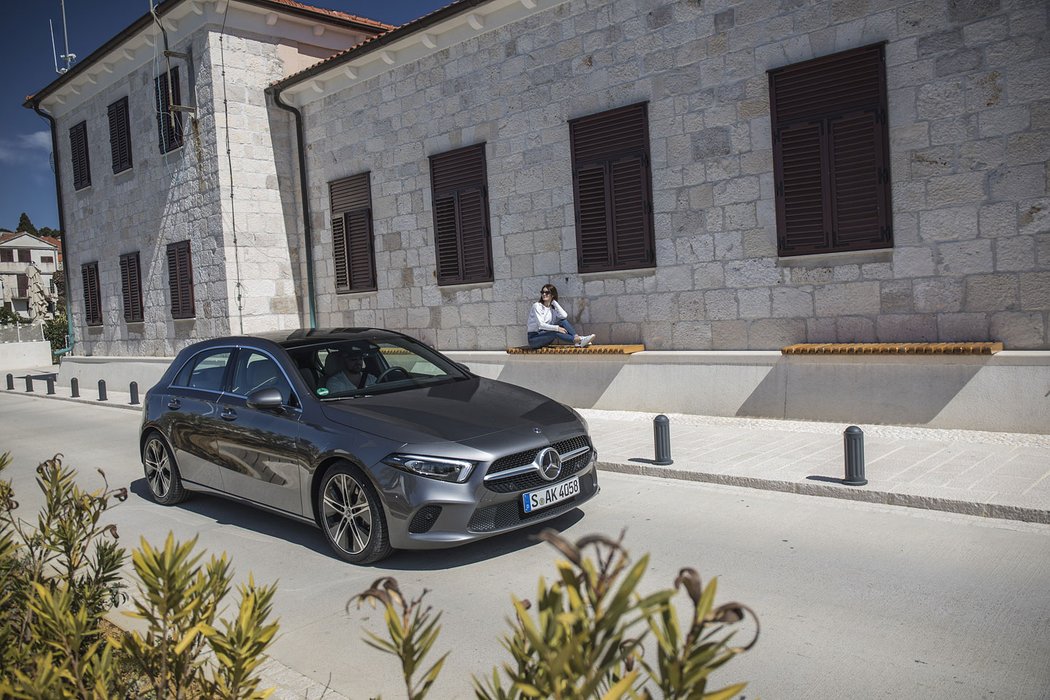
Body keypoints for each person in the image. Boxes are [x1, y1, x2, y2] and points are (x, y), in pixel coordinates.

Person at [526, 284, 596, 349]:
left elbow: (564, 316)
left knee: (562, 321)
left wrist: (554, 302)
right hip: (534, 339)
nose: (544, 294)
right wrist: (557, 328)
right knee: (555, 332)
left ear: (552, 295)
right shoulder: (537, 306)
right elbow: (541, 325)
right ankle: (578, 340)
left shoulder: (552, 309)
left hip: (546, 336)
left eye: (547, 293)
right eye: (542, 292)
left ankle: (577, 338)